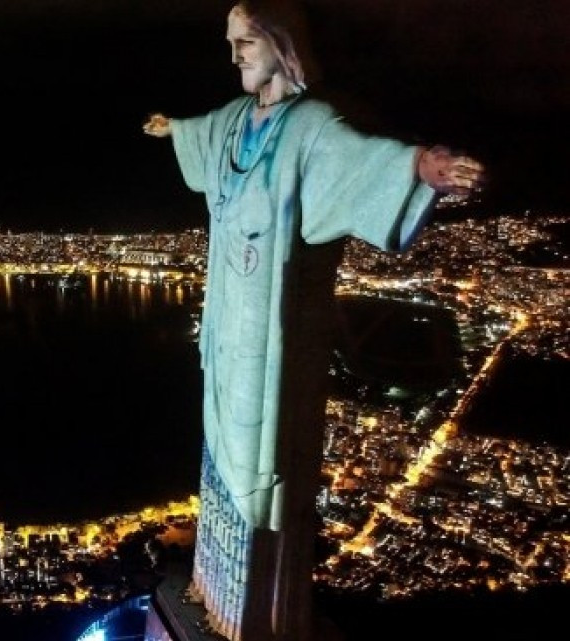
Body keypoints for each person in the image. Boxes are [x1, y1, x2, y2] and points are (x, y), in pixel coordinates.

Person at [143, 2, 484, 640]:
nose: (236, 54)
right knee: (219, 446)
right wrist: (173, 130)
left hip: (270, 333)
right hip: (226, 324)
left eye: (246, 41)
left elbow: (362, 158)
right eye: (231, 43)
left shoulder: (311, 126)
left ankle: (255, 614)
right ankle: (212, 590)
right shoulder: (237, 119)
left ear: (281, 42)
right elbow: (203, 131)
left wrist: (422, 167)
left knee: (262, 462)